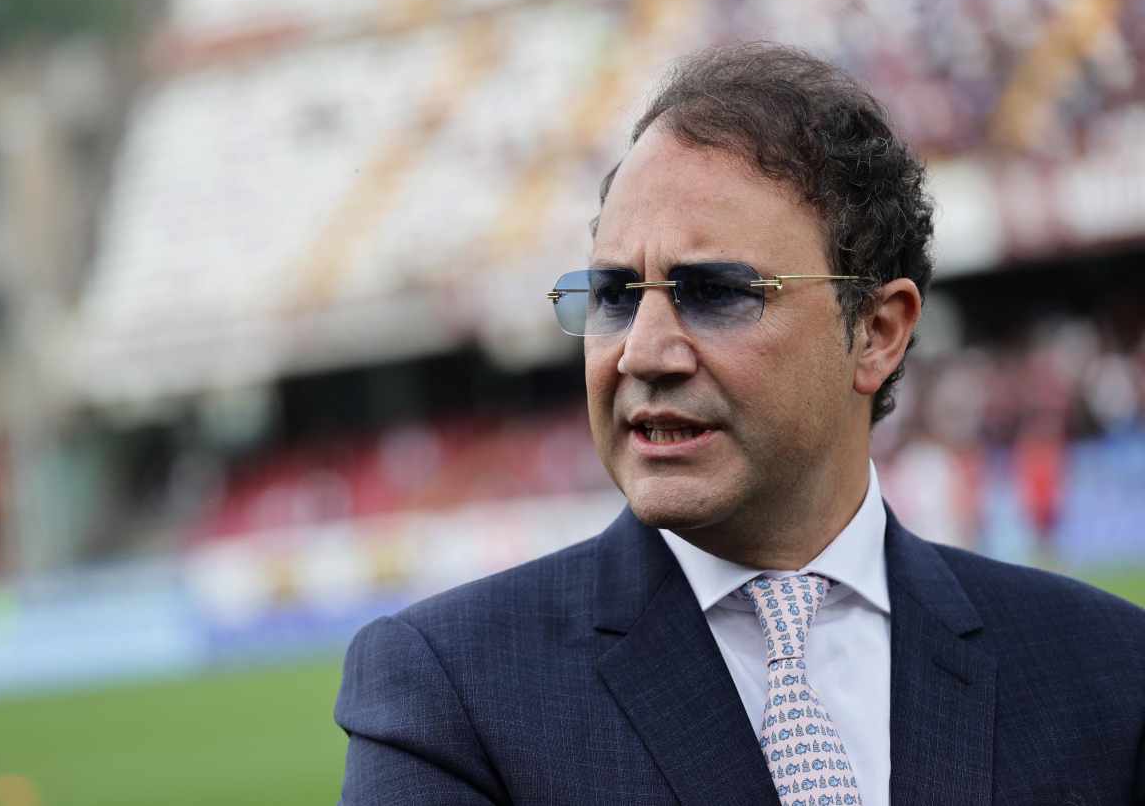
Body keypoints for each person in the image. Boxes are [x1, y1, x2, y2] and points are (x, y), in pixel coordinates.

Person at [334, 43, 1145, 804]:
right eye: (614, 295)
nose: (642, 352)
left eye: (714, 292)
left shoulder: (1109, 670)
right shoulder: (448, 694)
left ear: (877, 331)